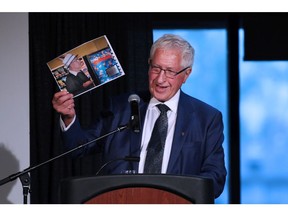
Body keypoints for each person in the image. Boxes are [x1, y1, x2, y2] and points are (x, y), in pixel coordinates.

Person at [52, 34, 227, 198]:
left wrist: (177, 196)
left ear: (186, 74)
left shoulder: (206, 119)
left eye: (170, 71)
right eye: (156, 68)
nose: (160, 79)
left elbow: (215, 179)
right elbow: (79, 148)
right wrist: (68, 118)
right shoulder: (121, 108)